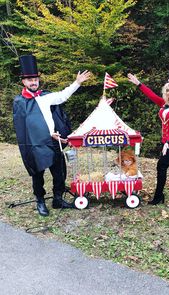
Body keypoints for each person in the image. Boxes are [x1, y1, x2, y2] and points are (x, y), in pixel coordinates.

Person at [13, 55, 91, 216]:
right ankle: (40, 202)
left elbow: (62, 95)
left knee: (59, 172)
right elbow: (25, 127)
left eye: (35, 79)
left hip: (54, 141)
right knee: (37, 175)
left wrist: (77, 83)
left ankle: (57, 199)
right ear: (23, 82)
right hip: (34, 144)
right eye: (29, 80)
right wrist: (47, 134)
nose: (33, 82)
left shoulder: (45, 96)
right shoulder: (19, 102)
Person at [127, 72, 169, 205]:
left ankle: (158, 196)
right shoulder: (163, 103)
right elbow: (151, 95)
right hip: (166, 142)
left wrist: (168, 142)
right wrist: (139, 84)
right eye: (168, 90)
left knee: (161, 165)